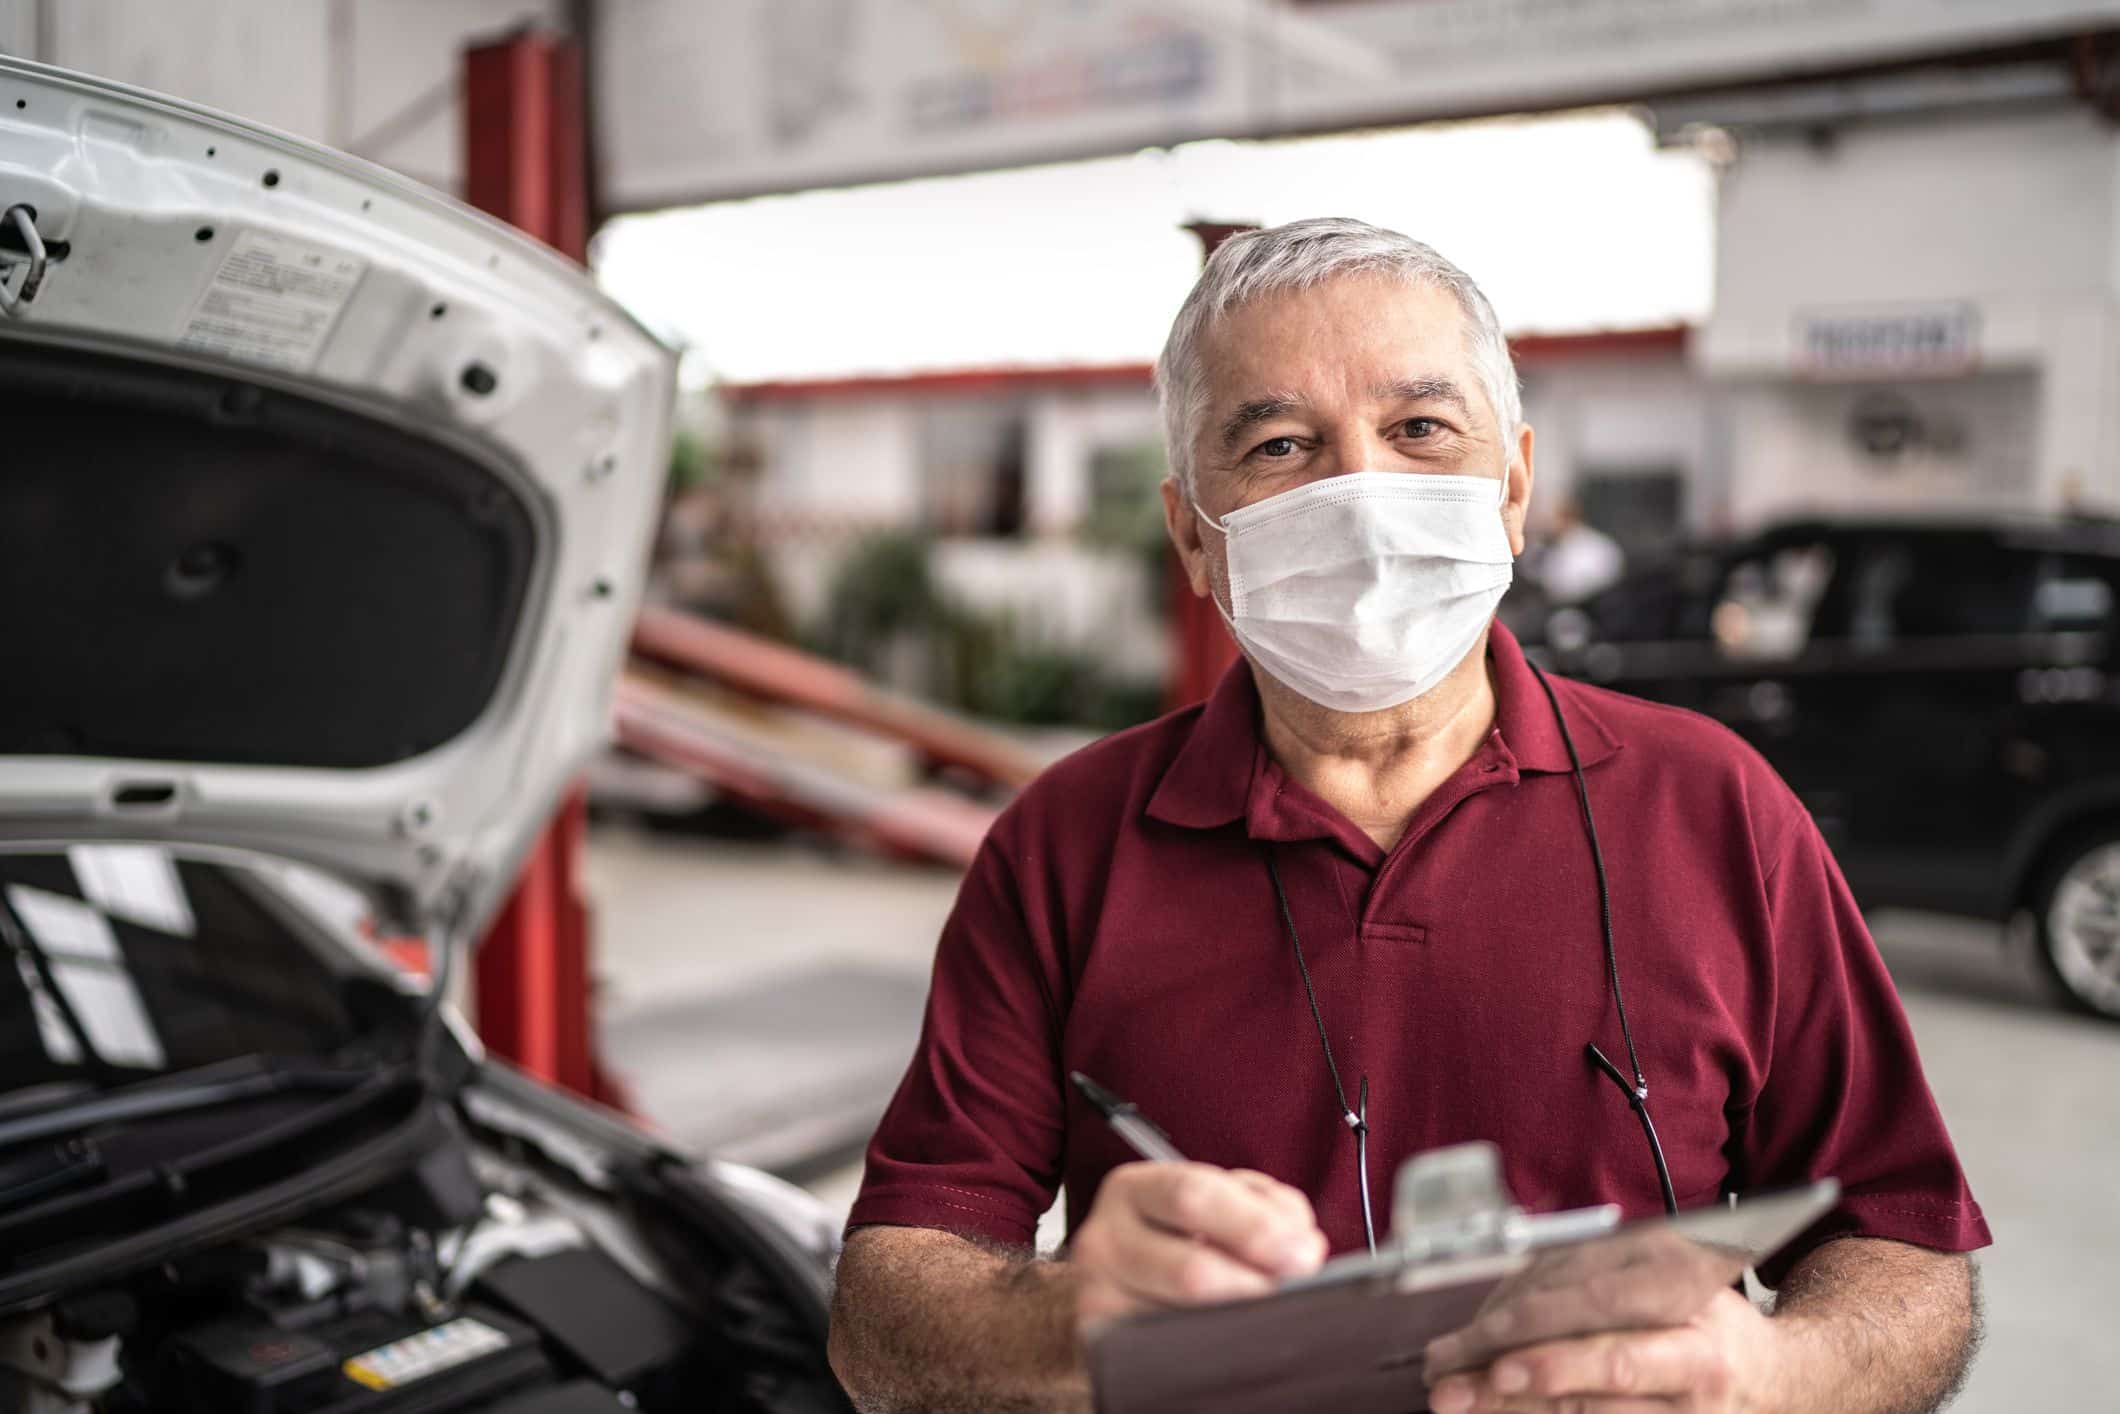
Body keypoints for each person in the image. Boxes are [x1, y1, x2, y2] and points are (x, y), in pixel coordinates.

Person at [827, 218, 1988, 1414]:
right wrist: (1065, 1326)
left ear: (1514, 488)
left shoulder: (1717, 808)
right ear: (1191, 534)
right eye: (1280, 445)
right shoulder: (1061, 845)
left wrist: (1777, 1375)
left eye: (1419, 431)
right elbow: (885, 1305)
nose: (1360, 495)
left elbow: (1904, 1243)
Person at [1535, 497, 1626, 603]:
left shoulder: (1593, 544)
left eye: (1557, 519)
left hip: (1593, 603)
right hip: (1556, 603)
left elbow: (1607, 574)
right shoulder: (1549, 547)